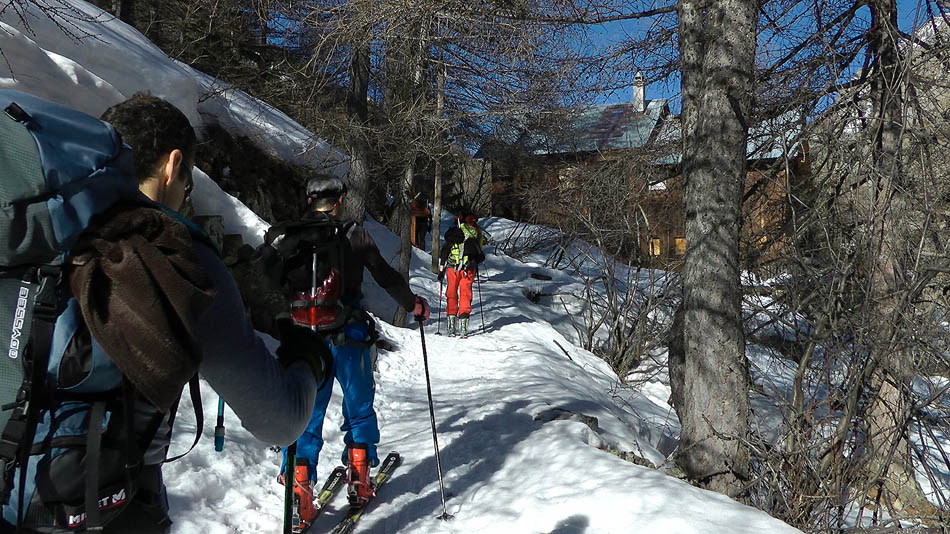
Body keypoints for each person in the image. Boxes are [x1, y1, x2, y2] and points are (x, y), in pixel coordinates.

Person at [22, 94, 327, 534]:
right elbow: (278, 417)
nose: (186, 194)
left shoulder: (33, 228)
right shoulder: (173, 255)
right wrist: (307, 361)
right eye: (188, 181)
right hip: (110, 508)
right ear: (173, 165)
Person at [262, 174, 429, 526]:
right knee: (359, 408)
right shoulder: (352, 233)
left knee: (306, 416)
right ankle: (359, 477)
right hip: (348, 336)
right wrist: (413, 304)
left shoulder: (287, 237)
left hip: (305, 343)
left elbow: (263, 279)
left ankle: (300, 491)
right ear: (337, 201)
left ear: (309, 201)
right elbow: (385, 275)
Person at [438, 214, 485, 338]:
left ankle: (451, 328)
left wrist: (441, 270)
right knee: (465, 295)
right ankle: (463, 329)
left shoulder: (453, 233)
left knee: (451, 294)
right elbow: (480, 253)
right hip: (468, 269)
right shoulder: (475, 233)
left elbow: (444, 252)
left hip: (452, 268)